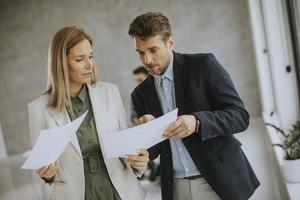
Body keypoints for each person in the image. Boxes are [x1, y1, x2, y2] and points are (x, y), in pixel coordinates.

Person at [128, 12, 260, 200]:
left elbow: (240, 116)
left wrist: (197, 122)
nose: (146, 60)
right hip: (176, 188)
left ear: (170, 43)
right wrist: (145, 134)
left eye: (153, 50)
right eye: (140, 53)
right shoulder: (140, 94)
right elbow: (155, 151)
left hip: (220, 181)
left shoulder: (204, 65)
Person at [28, 26, 148, 200]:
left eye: (90, 57)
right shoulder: (38, 109)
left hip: (119, 193)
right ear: (61, 63)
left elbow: (126, 151)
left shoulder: (110, 92)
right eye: (79, 59)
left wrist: (138, 164)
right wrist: (46, 175)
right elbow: (39, 173)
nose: (89, 65)